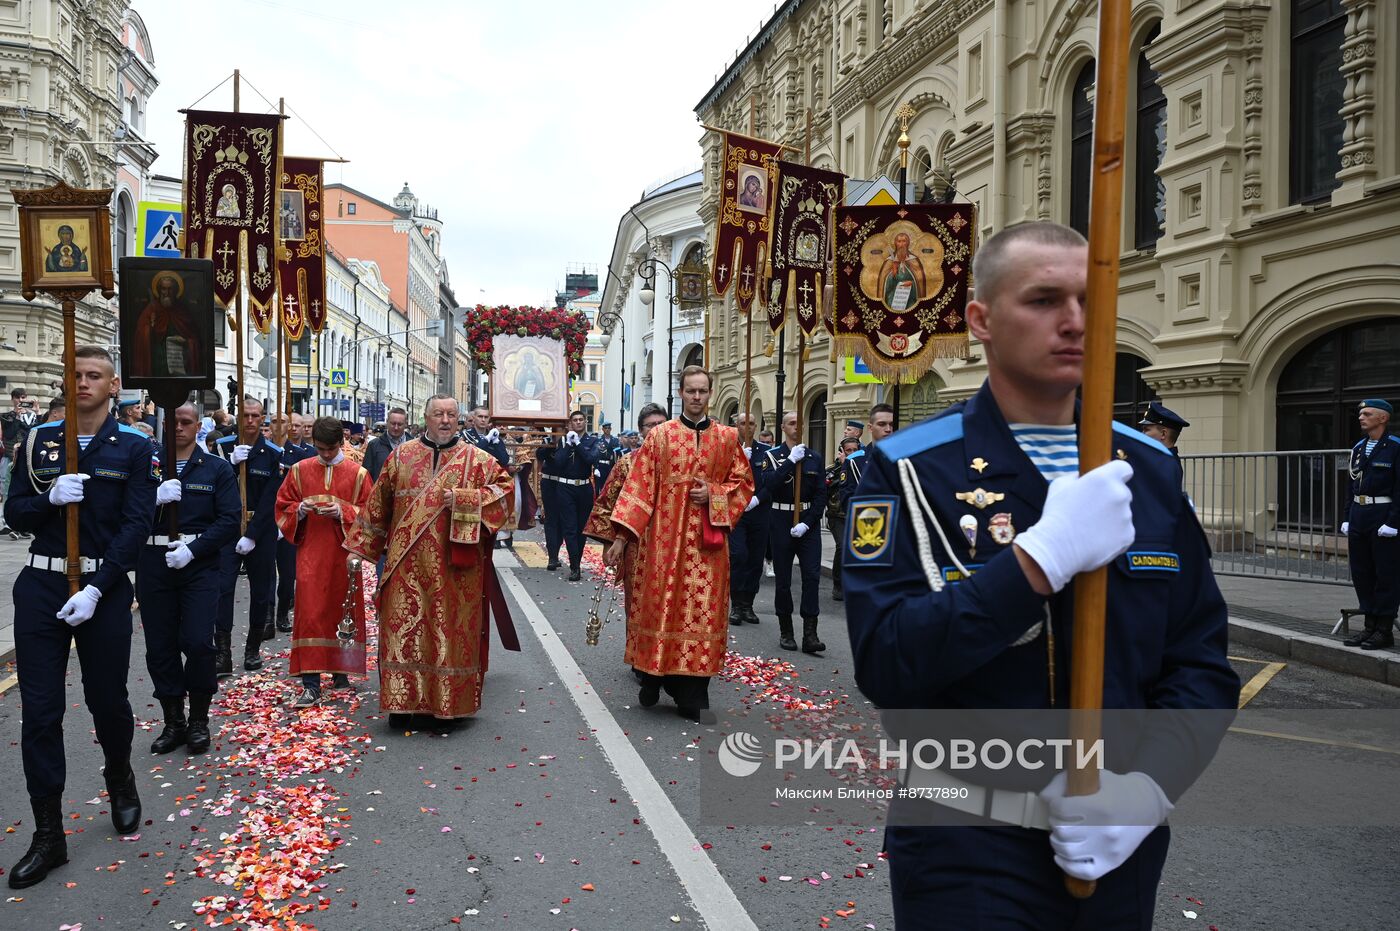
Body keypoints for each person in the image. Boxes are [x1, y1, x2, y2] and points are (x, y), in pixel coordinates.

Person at [843, 222, 1238, 928]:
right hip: (965, 847)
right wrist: (1036, 560)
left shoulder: (1146, 469)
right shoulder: (907, 467)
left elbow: (1200, 660)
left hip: (1118, 845)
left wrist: (1147, 789)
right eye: (1045, 299)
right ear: (982, 320)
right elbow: (888, 657)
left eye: (1091, 299)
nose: (1076, 322)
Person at [3, 345, 156, 888]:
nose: (84, 383)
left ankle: (120, 776)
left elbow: (136, 526)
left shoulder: (135, 448)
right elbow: (14, 510)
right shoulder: (43, 441)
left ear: (113, 386)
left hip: (103, 586)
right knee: (40, 712)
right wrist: (48, 501)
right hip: (42, 584)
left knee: (106, 699)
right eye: (77, 375)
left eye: (95, 375)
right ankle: (48, 835)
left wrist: (95, 589)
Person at [344, 395, 515, 732]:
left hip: (455, 571)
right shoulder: (401, 457)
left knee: (445, 635)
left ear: (459, 419)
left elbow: (505, 495)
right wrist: (360, 548)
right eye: (439, 414)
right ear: (425, 418)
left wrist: (469, 499)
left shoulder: (478, 460)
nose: (446, 420)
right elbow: (378, 505)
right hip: (404, 565)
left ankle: (445, 706)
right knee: (402, 633)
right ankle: (401, 702)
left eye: (452, 414)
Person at [609, 366, 752, 723]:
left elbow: (744, 484)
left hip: (708, 548)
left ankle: (692, 694)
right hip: (662, 541)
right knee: (660, 606)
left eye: (703, 391)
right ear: (681, 393)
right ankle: (652, 678)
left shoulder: (728, 437)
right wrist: (623, 537)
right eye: (691, 391)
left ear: (711, 393)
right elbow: (640, 487)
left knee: (700, 615)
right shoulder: (660, 436)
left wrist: (715, 494)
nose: (697, 397)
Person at [140, 402, 240, 757]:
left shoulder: (215, 468)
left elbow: (229, 519)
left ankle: (199, 719)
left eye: (186, 422)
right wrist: (153, 499)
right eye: (173, 422)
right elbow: (124, 513)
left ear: (198, 426)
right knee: (160, 646)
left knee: (198, 642)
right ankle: (173, 721)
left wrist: (194, 549)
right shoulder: (147, 466)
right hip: (153, 561)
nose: (178, 428)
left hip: (197, 565)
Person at [276, 416, 372, 706]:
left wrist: (343, 511)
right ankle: (311, 682)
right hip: (311, 554)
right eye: (320, 449)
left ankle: (341, 672)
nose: (326, 454)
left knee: (341, 609)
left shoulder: (358, 474)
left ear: (340, 443)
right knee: (311, 613)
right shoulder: (299, 470)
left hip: (344, 555)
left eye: (330, 449)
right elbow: (282, 506)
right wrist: (301, 510)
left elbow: (372, 515)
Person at [213, 398, 283, 673]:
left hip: (260, 530)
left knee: (261, 590)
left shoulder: (273, 452)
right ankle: (222, 652)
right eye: (246, 415)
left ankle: (252, 648)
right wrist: (230, 464)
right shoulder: (224, 446)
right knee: (223, 589)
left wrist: (253, 534)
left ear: (262, 418)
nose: (251, 421)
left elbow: (271, 498)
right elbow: (216, 487)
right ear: (238, 418)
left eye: (256, 416)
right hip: (229, 528)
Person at [588, 403, 669, 637]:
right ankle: (638, 655)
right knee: (639, 600)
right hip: (637, 544)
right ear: (641, 431)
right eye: (650, 425)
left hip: (674, 542)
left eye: (661, 424)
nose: (656, 429)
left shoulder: (682, 461)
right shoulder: (627, 463)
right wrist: (607, 543)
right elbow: (606, 503)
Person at [757, 410, 828, 653]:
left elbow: (821, 495)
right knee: (784, 581)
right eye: (791, 423)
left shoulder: (814, 457)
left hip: (807, 521)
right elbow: (768, 484)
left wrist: (808, 522)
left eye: (800, 423)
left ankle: (810, 634)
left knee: (811, 577)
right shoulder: (772, 456)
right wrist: (789, 463)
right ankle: (786, 631)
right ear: (783, 427)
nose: (796, 427)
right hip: (780, 519)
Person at [1341, 398, 1399, 650]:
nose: (1360, 417)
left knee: (1385, 575)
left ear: (1383, 418)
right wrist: (1346, 516)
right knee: (1362, 573)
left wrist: (1394, 522)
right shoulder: (1358, 447)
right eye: (1360, 413)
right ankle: (1369, 627)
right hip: (1359, 513)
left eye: (1367, 413)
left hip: (1382, 514)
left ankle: (1384, 630)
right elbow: (1350, 485)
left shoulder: (1395, 447)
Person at [537, 409, 604, 580]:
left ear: (585, 422)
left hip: (584, 488)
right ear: (570, 424)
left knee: (582, 529)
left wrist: (578, 445)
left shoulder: (593, 440)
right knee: (569, 528)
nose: (579, 422)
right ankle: (575, 566)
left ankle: (577, 560)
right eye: (575, 420)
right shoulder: (564, 441)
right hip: (564, 488)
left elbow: (591, 459)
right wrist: (569, 444)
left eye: (581, 419)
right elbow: (557, 462)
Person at [727, 412, 771, 625]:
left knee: (755, 559)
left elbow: (772, 483)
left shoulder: (766, 452)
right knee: (738, 555)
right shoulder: (729, 449)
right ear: (736, 425)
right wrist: (739, 461)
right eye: (743, 423)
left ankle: (748, 604)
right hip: (736, 512)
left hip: (759, 511)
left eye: (752, 423)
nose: (748, 427)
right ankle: (735, 603)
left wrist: (758, 499)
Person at [274, 414, 316, 634]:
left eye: (301, 426)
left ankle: (282, 612)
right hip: (269, 517)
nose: (297, 429)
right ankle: (266, 616)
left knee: (288, 573)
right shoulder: (271, 452)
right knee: (267, 576)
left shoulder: (305, 456)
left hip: (293, 518)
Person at [132, 272, 202, 378]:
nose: (167, 293)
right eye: (164, 289)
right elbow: (141, 333)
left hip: (178, 361)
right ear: (159, 290)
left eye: (170, 289)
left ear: (176, 291)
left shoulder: (182, 311)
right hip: (157, 362)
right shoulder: (151, 309)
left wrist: (186, 342)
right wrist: (150, 328)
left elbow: (194, 339)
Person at [826, 436, 863, 602]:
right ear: (841, 451)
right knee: (842, 546)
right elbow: (830, 488)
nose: (852, 454)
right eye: (849, 451)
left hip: (856, 515)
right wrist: (843, 467)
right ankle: (838, 585)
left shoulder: (862, 466)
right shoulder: (832, 470)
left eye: (855, 450)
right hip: (837, 516)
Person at [1139, 401, 1190, 485]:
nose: (1142, 434)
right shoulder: (1160, 460)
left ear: (1163, 434)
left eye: (1146, 429)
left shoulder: (1165, 465)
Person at [879, 231, 926, 311]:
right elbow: (884, 285)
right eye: (899, 241)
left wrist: (912, 283)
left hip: (910, 296)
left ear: (907, 243)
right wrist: (892, 274)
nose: (901, 244)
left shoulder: (914, 260)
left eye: (904, 241)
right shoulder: (889, 261)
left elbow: (921, 281)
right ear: (895, 243)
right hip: (894, 297)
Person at [364, 407, 409, 482]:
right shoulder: (374, 445)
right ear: (387, 422)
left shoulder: (415, 445)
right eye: (393, 423)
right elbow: (367, 475)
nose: (396, 427)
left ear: (406, 424)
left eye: (400, 424)